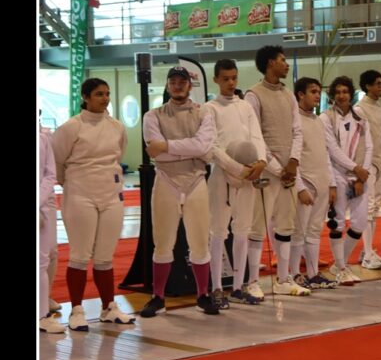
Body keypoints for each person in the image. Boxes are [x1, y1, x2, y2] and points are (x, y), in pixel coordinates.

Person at [52, 78, 136, 331]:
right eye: (99, 94)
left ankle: (108, 307)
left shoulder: (117, 127)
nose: (105, 98)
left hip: (111, 194)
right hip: (80, 194)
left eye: (107, 93)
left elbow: (117, 155)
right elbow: (56, 162)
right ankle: (76, 310)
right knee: (79, 255)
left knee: (105, 257)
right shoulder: (71, 127)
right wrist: (74, 185)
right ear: (86, 97)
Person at [141, 66, 220, 317]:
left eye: (182, 82)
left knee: (199, 241)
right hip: (166, 180)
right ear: (167, 86)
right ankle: (158, 297)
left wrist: (166, 146)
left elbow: (203, 145)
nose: (177, 86)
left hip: (196, 180)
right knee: (162, 242)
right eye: (173, 82)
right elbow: (155, 151)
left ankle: (203, 295)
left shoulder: (203, 112)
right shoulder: (152, 116)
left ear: (190, 85)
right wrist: (189, 149)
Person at [244, 46, 309, 297]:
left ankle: (283, 279)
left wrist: (293, 161)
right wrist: (277, 168)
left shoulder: (288, 95)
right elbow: (256, 136)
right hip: (266, 173)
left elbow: (297, 131)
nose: (286, 64)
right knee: (257, 227)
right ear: (271, 63)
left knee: (285, 226)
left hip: (288, 174)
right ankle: (252, 282)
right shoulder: (253, 95)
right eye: (283, 60)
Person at [203, 59, 267, 308]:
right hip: (223, 176)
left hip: (250, 175)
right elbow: (212, 145)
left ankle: (239, 287)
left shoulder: (245, 107)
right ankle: (217, 287)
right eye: (226, 78)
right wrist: (236, 168)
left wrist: (260, 161)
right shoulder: (210, 108)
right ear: (216, 79)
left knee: (242, 229)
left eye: (234, 78)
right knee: (218, 231)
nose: (231, 83)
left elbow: (256, 136)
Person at [321, 75, 371, 286]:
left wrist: (363, 172)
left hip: (359, 176)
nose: (342, 96)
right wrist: (354, 169)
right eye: (338, 92)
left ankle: (338, 263)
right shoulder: (326, 118)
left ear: (351, 94)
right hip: (337, 173)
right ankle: (342, 268)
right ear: (333, 95)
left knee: (359, 223)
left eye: (345, 92)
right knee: (338, 223)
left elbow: (369, 147)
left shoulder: (360, 118)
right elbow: (332, 149)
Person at [291, 77, 338, 290]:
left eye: (319, 92)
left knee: (314, 231)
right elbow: (292, 158)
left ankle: (312, 274)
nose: (317, 96)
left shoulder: (318, 121)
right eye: (313, 91)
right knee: (298, 232)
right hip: (305, 183)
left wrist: (331, 183)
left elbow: (325, 154)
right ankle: (294, 275)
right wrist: (299, 187)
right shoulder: (294, 121)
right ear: (300, 94)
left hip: (321, 183)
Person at [355, 70, 381, 270]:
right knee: (367, 208)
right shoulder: (359, 109)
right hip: (367, 162)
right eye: (377, 83)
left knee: (374, 207)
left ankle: (367, 250)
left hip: (380, 160)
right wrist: (362, 166)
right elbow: (360, 141)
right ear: (367, 86)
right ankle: (367, 254)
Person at [39, 125, 64, 334]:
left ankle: (42, 308)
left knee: (46, 256)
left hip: (44, 202)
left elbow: (49, 174)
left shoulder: (43, 137)